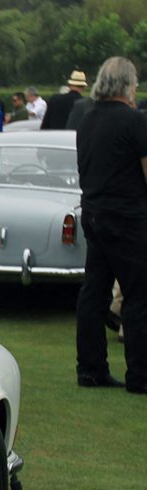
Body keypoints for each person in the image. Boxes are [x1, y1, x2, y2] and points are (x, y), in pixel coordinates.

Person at [73, 56, 147, 393]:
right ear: (128, 85)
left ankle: (90, 368)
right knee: (138, 295)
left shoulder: (88, 120)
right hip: (128, 217)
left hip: (94, 212)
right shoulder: (135, 121)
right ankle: (140, 375)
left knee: (94, 292)